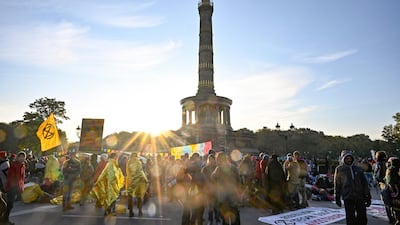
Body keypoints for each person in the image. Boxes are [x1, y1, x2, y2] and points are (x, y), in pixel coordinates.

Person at [334, 150, 371, 225]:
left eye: (350, 158)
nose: (349, 160)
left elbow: (364, 183)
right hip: (348, 196)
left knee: (362, 216)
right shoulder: (339, 169)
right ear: (343, 159)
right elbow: (337, 184)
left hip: (359, 195)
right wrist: (337, 197)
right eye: (346, 158)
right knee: (350, 217)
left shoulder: (358, 168)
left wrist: (368, 195)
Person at [212, 152, 241, 225]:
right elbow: (239, 181)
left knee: (225, 217)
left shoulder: (218, 169)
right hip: (233, 195)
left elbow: (213, 178)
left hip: (223, 196)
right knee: (235, 216)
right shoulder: (234, 167)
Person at [2, 151, 26, 225]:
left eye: (23, 157)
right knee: (9, 204)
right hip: (12, 187)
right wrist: (12, 186)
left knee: (10, 204)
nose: (22, 158)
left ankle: (4, 219)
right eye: (20, 156)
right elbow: (10, 176)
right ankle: (4, 220)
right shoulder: (13, 165)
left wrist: (21, 187)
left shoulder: (23, 165)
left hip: (17, 187)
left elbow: (22, 177)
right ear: (17, 157)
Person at [126, 153, 148, 217]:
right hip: (139, 181)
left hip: (131, 182)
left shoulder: (128, 162)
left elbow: (127, 172)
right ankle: (140, 211)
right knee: (140, 196)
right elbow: (141, 172)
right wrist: (145, 180)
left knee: (130, 197)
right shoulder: (139, 162)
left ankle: (131, 212)